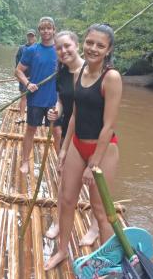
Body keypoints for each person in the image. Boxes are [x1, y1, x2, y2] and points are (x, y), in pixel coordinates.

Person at [44, 23, 123, 271]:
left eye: (100, 45)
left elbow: (108, 126)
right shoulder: (78, 73)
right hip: (77, 144)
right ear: (84, 43)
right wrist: (65, 148)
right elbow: (75, 116)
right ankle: (62, 251)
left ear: (108, 49)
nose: (93, 48)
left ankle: (105, 264)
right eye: (90, 42)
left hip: (103, 149)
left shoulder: (111, 77)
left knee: (101, 211)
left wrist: (94, 164)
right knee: (66, 200)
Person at [45, 30, 99, 247]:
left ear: (76, 44)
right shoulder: (62, 73)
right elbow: (62, 101)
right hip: (69, 132)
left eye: (67, 46)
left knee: (95, 183)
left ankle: (95, 227)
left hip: (93, 134)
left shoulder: (92, 69)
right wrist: (55, 111)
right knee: (64, 180)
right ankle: (60, 221)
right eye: (59, 48)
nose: (63, 51)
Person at [15, 16, 62, 174]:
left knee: (57, 132)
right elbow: (18, 71)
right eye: (43, 28)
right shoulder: (31, 50)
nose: (46, 31)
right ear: (39, 31)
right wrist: (27, 84)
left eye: (49, 28)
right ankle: (25, 161)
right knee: (31, 129)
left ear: (54, 30)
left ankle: (60, 163)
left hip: (54, 100)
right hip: (35, 99)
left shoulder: (60, 50)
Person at [15, 29, 37, 124]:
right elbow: (17, 63)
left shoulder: (38, 48)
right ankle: (21, 117)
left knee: (36, 97)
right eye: (29, 36)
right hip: (24, 77)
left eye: (32, 36)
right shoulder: (22, 48)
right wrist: (19, 76)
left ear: (35, 37)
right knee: (23, 97)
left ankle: (35, 117)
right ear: (27, 37)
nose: (30, 38)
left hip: (35, 77)